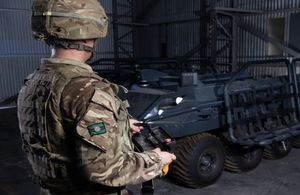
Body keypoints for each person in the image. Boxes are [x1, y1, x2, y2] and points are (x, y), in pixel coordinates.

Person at [17, 0, 176, 194]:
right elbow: (105, 170)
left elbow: (57, 130)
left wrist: (120, 124)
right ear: (88, 35)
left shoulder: (33, 82)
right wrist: (157, 160)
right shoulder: (89, 90)